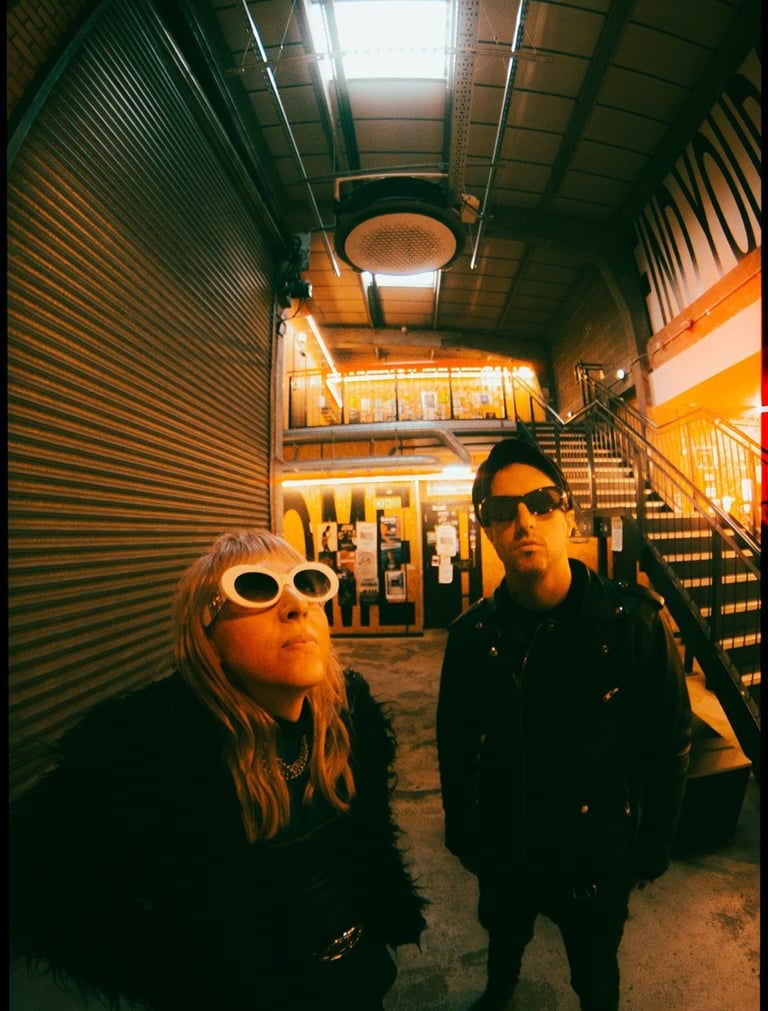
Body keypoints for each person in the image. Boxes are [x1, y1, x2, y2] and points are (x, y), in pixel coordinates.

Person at [10, 529, 427, 1011]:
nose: (297, 606)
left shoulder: (349, 719)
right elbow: (41, 889)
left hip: (360, 977)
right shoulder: (154, 753)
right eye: (256, 588)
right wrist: (189, 976)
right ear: (206, 636)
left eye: (306, 583)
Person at [436, 438, 691, 1011]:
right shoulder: (473, 637)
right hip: (506, 844)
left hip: (595, 852)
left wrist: (652, 846)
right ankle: (499, 991)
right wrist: (463, 831)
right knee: (504, 942)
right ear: (488, 530)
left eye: (542, 502)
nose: (524, 521)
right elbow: (456, 744)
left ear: (568, 514)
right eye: (502, 510)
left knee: (595, 975)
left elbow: (669, 740)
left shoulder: (632, 622)